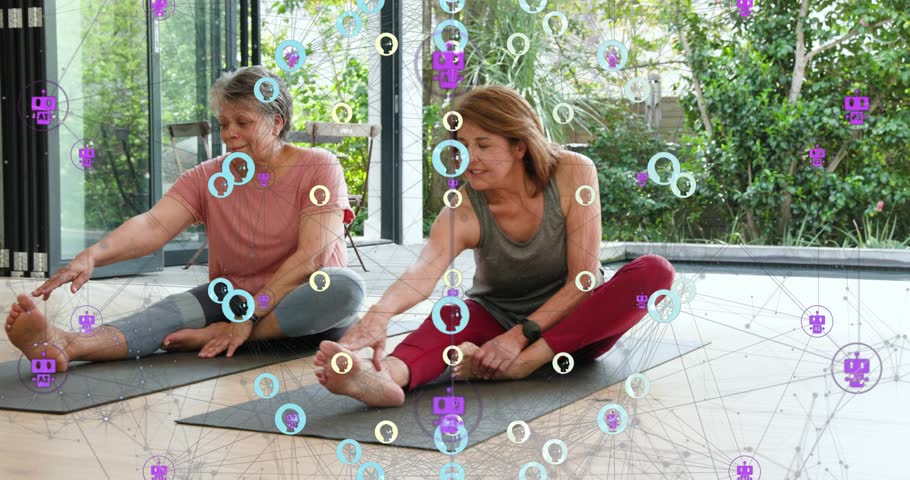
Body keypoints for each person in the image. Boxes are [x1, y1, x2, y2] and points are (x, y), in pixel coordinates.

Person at [313, 85, 674, 407]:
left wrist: (519, 343)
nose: (469, 157)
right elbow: (421, 272)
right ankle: (383, 377)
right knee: (453, 314)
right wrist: (381, 313)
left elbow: (583, 280)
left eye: (483, 145)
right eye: (462, 146)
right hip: (496, 316)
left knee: (655, 271)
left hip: (575, 325)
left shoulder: (573, 172)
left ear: (519, 145)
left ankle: (521, 367)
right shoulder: (464, 209)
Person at [5, 66, 365, 370]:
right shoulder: (209, 176)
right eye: (224, 123)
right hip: (231, 298)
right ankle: (67, 344)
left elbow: (312, 256)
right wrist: (93, 255)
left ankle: (225, 332)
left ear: (276, 124)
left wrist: (247, 318)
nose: (229, 134)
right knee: (163, 315)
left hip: (301, 301)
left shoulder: (318, 165)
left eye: (243, 122)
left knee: (345, 287)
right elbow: (152, 225)